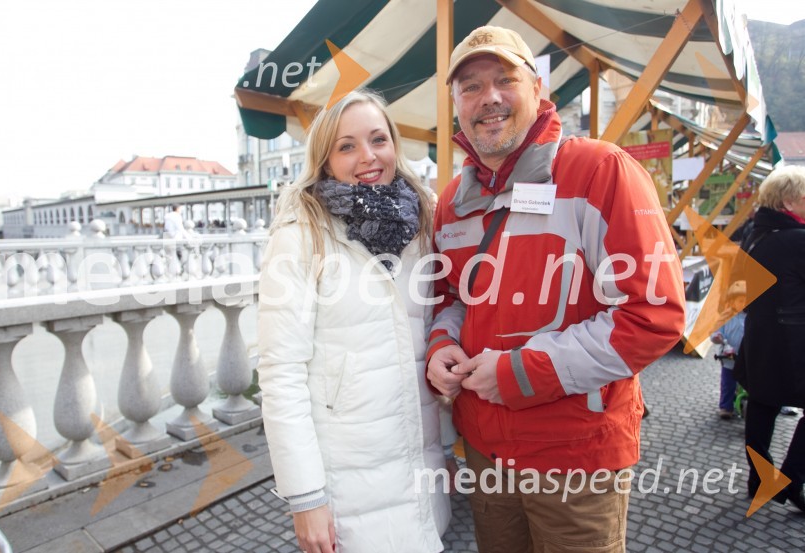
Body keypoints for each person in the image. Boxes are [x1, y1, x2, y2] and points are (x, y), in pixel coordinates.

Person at [426, 26, 686, 551]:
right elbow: (453, 297)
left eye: (505, 79)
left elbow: (653, 315)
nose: (489, 98)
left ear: (537, 89)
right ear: (455, 104)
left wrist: (522, 372)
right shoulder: (452, 199)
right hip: (484, 449)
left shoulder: (599, 170)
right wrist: (442, 345)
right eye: (471, 87)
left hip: (576, 455)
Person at [256, 90, 451, 553]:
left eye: (378, 139)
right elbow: (281, 375)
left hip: (421, 467)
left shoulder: (422, 221)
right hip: (348, 482)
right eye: (346, 146)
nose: (368, 157)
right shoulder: (301, 236)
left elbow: (430, 334)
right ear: (324, 160)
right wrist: (305, 499)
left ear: (394, 145)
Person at [734, 165, 805, 512]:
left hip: (760, 337)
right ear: (789, 201)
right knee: (764, 407)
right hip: (793, 344)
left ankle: (759, 478)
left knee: (762, 407)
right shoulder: (797, 240)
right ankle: (792, 478)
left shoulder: (754, 233)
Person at [710, 280, 747, 420]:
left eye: (745, 301)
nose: (743, 304)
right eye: (740, 300)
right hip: (729, 356)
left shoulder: (750, 318)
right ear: (732, 301)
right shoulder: (726, 317)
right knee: (728, 382)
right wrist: (717, 337)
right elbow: (714, 333)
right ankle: (726, 407)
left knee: (746, 382)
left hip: (745, 357)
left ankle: (745, 404)